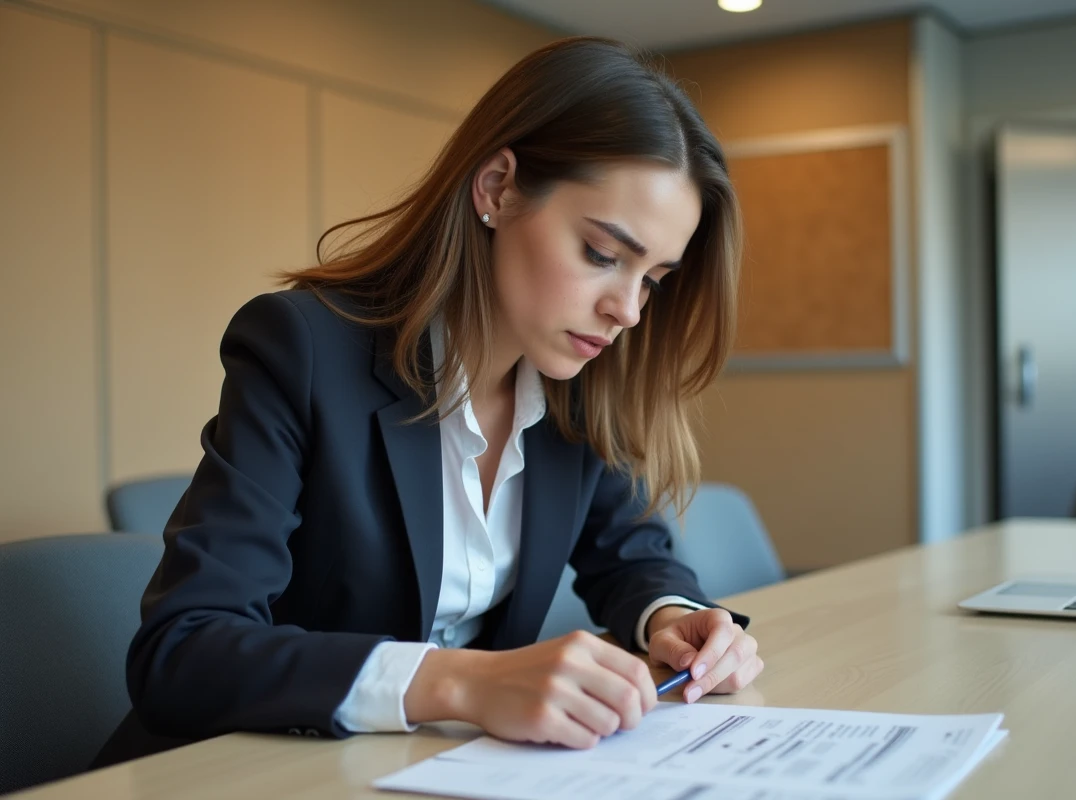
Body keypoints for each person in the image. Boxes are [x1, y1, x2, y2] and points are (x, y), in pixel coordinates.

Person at [94, 35, 761, 766]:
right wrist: (460, 683)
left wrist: (676, 617)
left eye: (652, 280)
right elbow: (183, 650)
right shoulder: (303, 349)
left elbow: (634, 556)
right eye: (603, 256)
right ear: (498, 187)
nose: (628, 311)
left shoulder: (577, 390)